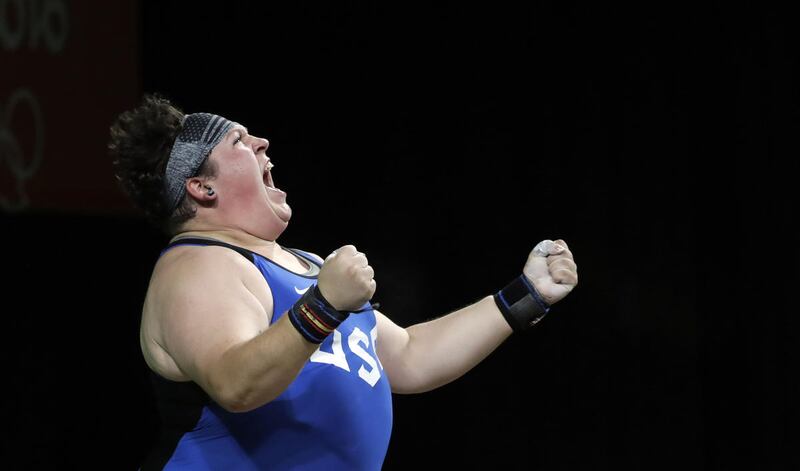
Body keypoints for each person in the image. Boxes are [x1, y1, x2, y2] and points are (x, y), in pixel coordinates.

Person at [108, 94, 579, 470]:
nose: (262, 143)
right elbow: (235, 383)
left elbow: (412, 356)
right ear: (202, 187)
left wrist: (525, 294)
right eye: (239, 141)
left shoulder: (305, 266)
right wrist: (326, 303)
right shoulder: (198, 264)